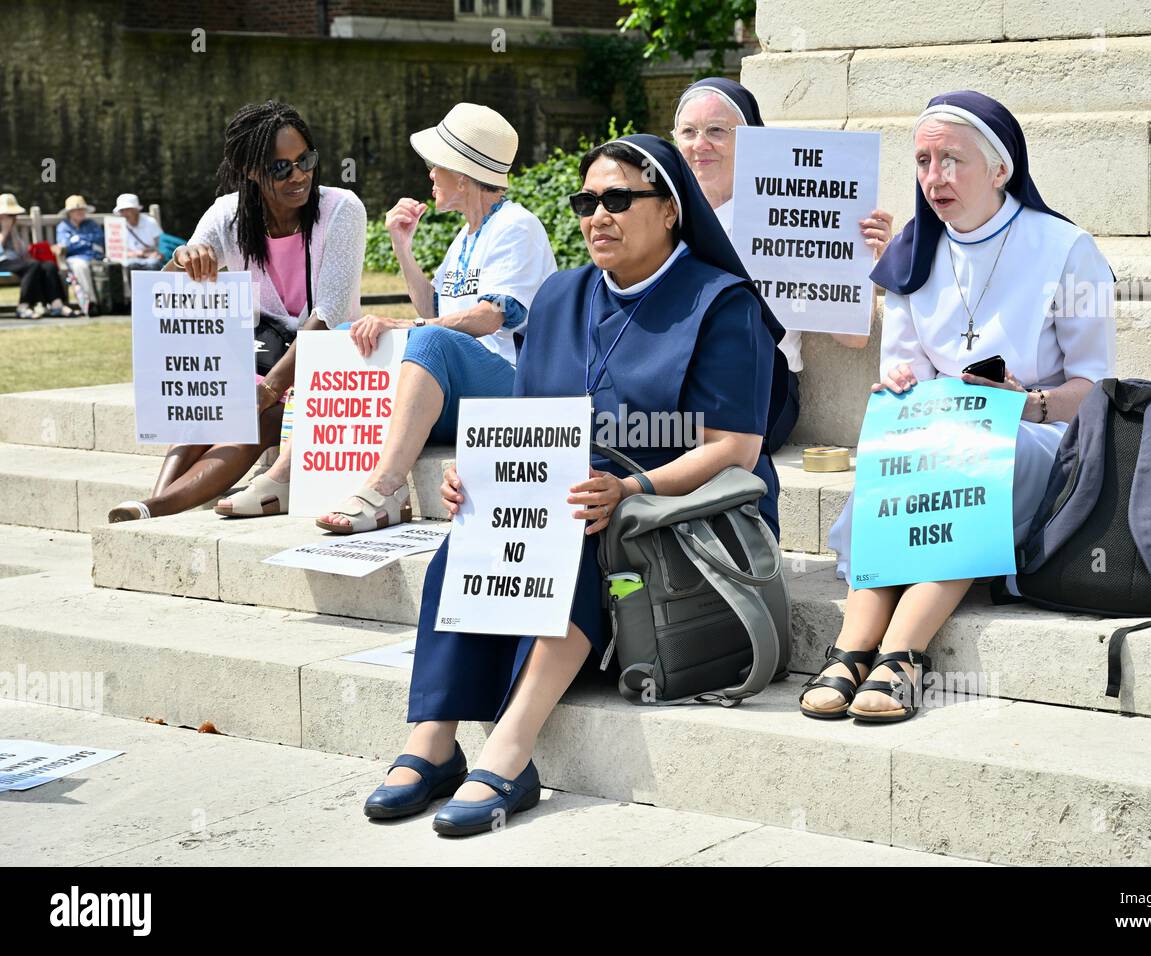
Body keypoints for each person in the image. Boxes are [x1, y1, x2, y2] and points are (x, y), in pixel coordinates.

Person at [361, 134, 787, 833]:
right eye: (587, 201)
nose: (597, 216)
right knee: (476, 533)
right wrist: (480, 477)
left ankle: (512, 744)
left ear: (672, 211)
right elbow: (524, 419)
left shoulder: (721, 302)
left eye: (619, 199)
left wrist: (633, 486)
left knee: (576, 529)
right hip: (572, 488)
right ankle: (433, 738)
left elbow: (735, 448)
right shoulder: (561, 294)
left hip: (674, 504)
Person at [800, 91, 1116, 723]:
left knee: (963, 459)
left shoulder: (1065, 249)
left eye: (952, 160)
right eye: (922, 160)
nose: (933, 177)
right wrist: (896, 381)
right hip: (940, 430)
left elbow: (1095, 389)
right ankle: (855, 645)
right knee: (901, 454)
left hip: (1037, 433)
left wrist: (1027, 404)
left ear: (1001, 169)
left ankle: (903, 649)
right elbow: (907, 365)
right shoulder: (915, 249)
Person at [218, 103, 557, 527]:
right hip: (459, 382)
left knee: (426, 339)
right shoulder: (466, 235)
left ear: (463, 174)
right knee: (338, 337)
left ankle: (387, 489)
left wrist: (406, 326)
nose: (430, 174)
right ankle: (288, 473)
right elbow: (434, 310)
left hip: (509, 384)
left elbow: (491, 317)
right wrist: (402, 245)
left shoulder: (516, 227)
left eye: (437, 165)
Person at [107, 100, 366, 523]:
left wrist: (267, 391)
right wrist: (185, 260)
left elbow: (330, 312)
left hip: (326, 359)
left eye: (306, 160)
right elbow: (171, 288)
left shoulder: (342, 210)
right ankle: (151, 503)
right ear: (250, 170)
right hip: (261, 352)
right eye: (281, 168)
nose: (299, 175)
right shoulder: (229, 214)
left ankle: (156, 507)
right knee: (211, 404)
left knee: (257, 417)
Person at [672, 77, 895, 452]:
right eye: (689, 132)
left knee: (668, 444)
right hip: (678, 381)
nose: (700, 145)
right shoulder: (664, 216)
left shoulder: (789, 214)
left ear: (754, 140)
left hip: (759, 385)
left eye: (716, 131)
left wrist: (867, 260)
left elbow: (852, 337)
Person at [0, 194, 74, 319]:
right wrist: (5, 231)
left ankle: (57, 304)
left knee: (48, 266)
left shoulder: (14, 228)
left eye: (14, 215)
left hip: (16, 262)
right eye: (9, 215)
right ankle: (23, 306)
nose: (13, 218)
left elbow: (22, 253)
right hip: (2, 262)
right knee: (32, 265)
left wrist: (12, 232)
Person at [53, 195, 104, 315]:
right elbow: (65, 246)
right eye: (77, 210)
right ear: (69, 212)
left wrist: (77, 240)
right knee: (81, 266)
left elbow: (99, 239)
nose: (80, 212)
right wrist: (86, 242)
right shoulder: (63, 226)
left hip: (96, 257)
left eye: (82, 209)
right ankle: (91, 302)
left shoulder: (91, 224)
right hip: (74, 259)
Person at [114, 193, 164, 272]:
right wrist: (139, 254)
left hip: (151, 258)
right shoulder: (118, 226)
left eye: (127, 209)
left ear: (136, 210)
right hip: (130, 260)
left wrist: (157, 253)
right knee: (131, 265)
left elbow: (161, 244)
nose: (124, 213)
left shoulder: (150, 222)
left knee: (153, 264)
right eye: (121, 210)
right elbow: (116, 252)